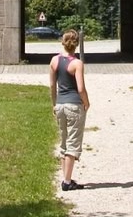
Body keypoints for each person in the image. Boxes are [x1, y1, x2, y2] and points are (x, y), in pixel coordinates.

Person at [49, 29, 90, 191]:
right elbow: (81, 88)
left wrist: (54, 103)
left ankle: (65, 177)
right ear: (76, 44)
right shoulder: (77, 63)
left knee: (64, 143)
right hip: (74, 105)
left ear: (63, 42)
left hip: (60, 104)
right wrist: (86, 102)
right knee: (73, 143)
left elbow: (52, 85)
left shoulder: (54, 60)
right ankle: (67, 182)